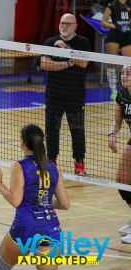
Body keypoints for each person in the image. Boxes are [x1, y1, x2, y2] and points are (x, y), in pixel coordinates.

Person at [0, 124, 70, 270]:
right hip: (50, 229)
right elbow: (65, 204)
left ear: (22, 142)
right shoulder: (53, 168)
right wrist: (43, 201)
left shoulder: (19, 166)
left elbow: (15, 200)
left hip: (25, 228)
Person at [40, 13, 91, 175]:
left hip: (75, 96)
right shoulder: (50, 42)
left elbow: (83, 63)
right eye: (62, 23)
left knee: (77, 129)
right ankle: (51, 160)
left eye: (68, 24)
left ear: (75, 26)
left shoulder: (82, 42)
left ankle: (79, 163)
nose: (64, 26)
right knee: (51, 130)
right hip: (53, 95)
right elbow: (45, 64)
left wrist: (67, 50)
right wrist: (69, 62)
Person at [107, 65, 131, 244]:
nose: (124, 76)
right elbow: (117, 120)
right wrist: (112, 134)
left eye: (128, 73)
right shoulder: (121, 95)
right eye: (122, 72)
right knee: (122, 180)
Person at [101, 0, 131, 100]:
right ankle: (113, 91)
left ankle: (128, 90)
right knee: (112, 62)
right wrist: (115, 26)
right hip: (113, 36)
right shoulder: (112, 5)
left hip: (126, 36)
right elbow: (103, 22)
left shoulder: (129, 5)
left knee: (129, 63)